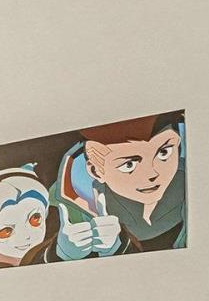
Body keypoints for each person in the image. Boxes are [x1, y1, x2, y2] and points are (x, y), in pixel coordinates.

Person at [51, 111, 186, 259]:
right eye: (129, 165)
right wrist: (60, 254)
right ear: (96, 171)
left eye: (163, 152)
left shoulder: (190, 178)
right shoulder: (71, 205)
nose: (152, 174)